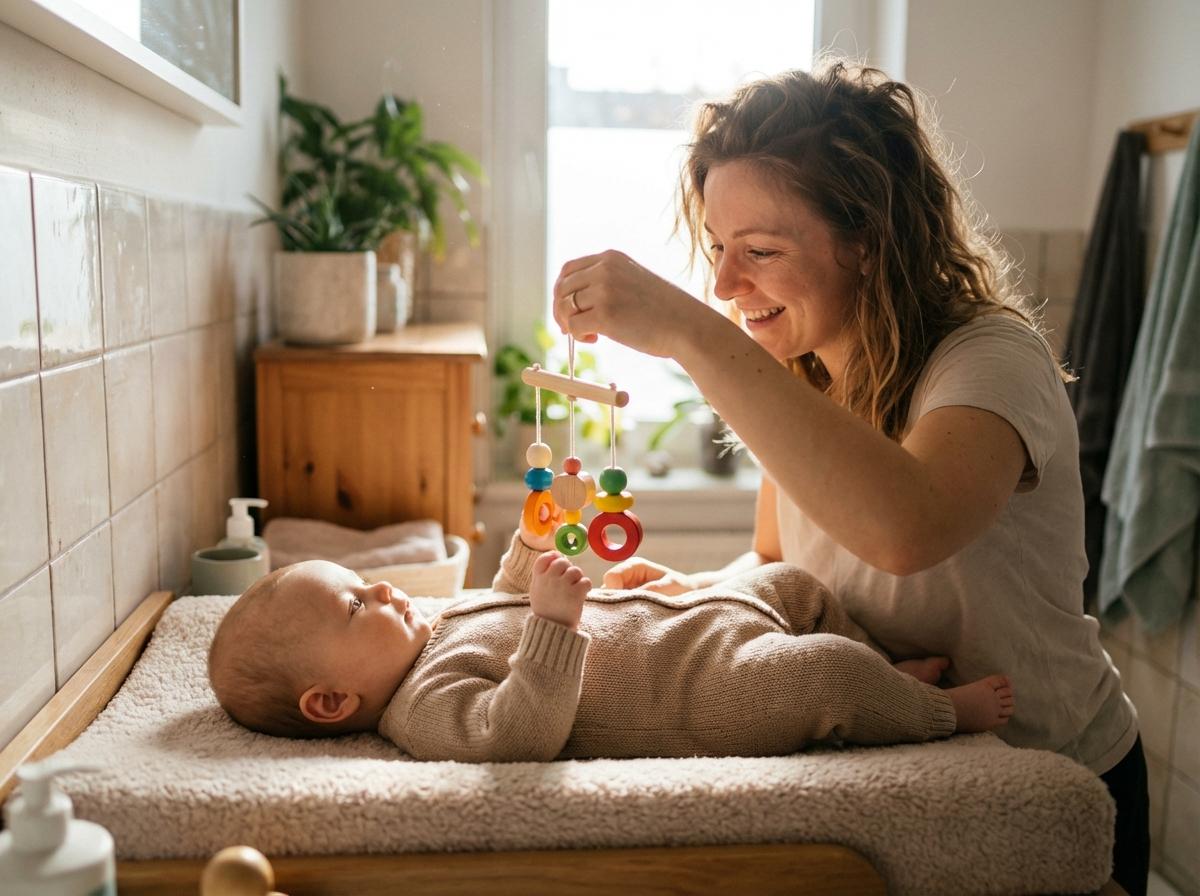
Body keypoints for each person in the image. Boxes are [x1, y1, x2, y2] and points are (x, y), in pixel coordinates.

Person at [550, 58, 1146, 894]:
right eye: (719, 249)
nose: (723, 284)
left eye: (759, 250)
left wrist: (687, 332)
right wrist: (693, 596)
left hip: (1051, 779)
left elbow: (907, 531)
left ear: (869, 239)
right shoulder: (803, 379)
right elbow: (780, 565)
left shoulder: (991, 358)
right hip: (912, 773)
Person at [207, 506, 1015, 763]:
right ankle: (938, 712)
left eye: (362, 581)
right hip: (707, 690)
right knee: (824, 675)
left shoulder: (431, 630)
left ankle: (889, 666)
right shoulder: (421, 711)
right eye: (356, 606)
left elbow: (501, 601)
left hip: (697, 622)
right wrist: (554, 628)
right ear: (330, 700)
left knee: (797, 586)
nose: (381, 587)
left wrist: (530, 550)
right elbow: (519, 733)